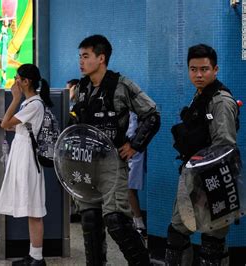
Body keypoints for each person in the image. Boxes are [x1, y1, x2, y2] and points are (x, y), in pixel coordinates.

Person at [71, 35, 160, 265]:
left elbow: (152, 115)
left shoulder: (121, 85)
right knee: (89, 220)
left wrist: (134, 145)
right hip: (86, 164)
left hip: (112, 163)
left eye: (86, 56)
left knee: (116, 220)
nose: (81, 61)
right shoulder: (81, 88)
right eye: (79, 56)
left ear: (101, 58)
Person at [165, 44, 239, 265]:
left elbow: (224, 147)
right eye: (193, 69)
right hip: (195, 179)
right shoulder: (200, 96)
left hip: (215, 180)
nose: (198, 74)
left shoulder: (221, 101)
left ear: (215, 70)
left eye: (204, 69)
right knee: (178, 234)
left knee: (212, 244)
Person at [0, 64, 51, 266]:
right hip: (22, 154)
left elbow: (5, 123)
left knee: (34, 208)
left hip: (28, 158)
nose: (14, 81)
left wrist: (15, 98)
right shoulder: (30, 103)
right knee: (30, 207)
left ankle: (38, 258)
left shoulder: (34, 104)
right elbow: (14, 126)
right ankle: (33, 254)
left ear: (26, 81)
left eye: (17, 77)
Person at [126, 112, 147, 238]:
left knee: (129, 187)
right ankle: (136, 222)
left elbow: (132, 129)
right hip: (129, 146)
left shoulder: (131, 103)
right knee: (127, 187)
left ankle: (139, 224)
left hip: (132, 147)